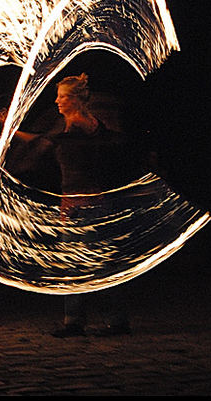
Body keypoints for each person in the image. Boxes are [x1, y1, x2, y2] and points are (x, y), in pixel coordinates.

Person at [13, 73, 135, 337]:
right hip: (74, 204)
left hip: (88, 205)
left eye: (62, 96)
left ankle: (105, 320)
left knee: (94, 263)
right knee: (79, 264)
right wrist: (12, 132)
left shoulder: (82, 123)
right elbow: (42, 143)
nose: (57, 101)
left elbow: (90, 138)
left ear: (75, 99)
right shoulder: (69, 124)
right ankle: (82, 321)